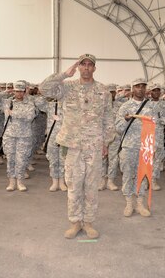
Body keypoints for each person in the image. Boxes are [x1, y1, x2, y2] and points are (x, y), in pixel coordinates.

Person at [39, 54, 115, 239]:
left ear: (94, 68)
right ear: (79, 67)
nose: (87, 68)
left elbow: (108, 118)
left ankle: (88, 222)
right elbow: (43, 89)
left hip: (94, 146)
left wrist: (106, 142)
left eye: (90, 65)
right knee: (73, 185)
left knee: (90, 186)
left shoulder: (103, 91)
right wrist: (64, 74)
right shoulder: (67, 88)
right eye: (83, 64)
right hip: (72, 145)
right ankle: (75, 222)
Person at [0, 80, 41, 191]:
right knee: (11, 159)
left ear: (24, 92)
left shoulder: (29, 103)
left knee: (21, 159)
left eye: (21, 91)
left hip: (24, 136)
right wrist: (5, 92)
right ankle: (12, 182)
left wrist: (13, 113)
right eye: (16, 91)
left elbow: (30, 116)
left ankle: (20, 181)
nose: (19, 94)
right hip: (9, 136)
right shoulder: (7, 102)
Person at [116, 78, 155, 218]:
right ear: (133, 89)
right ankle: (129, 203)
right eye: (137, 87)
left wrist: (153, 148)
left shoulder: (151, 107)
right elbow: (118, 128)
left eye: (143, 87)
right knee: (127, 174)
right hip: (128, 147)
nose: (140, 89)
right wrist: (125, 120)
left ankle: (139, 204)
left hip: (145, 147)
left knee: (142, 176)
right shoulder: (125, 107)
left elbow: (156, 127)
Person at [45, 98, 67, 192]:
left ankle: (62, 182)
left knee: (63, 160)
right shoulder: (50, 105)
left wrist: (61, 119)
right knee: (53, 160)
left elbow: (75, 119)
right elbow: (38, 101)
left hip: (65, 137)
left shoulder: (69, 105)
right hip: (52, 137)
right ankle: (54, 182)